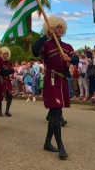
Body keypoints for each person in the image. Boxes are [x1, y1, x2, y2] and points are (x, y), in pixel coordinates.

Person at [32, 16, 79, 159]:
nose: (59, 29)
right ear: (50, 28)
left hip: (63, 80)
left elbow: (76, 58)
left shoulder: (67, 46)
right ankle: (61, 148)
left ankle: (47, 143)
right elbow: (34, 51)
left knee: (54, 114)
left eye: (60, 27)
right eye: (56, 27)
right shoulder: (46, 45)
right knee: (56, 112)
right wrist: (45, 36)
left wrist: (70, 59)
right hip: (51, 79)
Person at [0, 46, 15, 117]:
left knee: (10, 95)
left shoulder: (9, 63)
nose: (6, 55)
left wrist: (6, 71)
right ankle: (0, 111)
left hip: (7, 80)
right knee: (0, 97)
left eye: (7, 54)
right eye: (4, 54)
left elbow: (12, 70)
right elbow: (0, 72)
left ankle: (7, 111)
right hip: (1, 80)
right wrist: (6, 71)